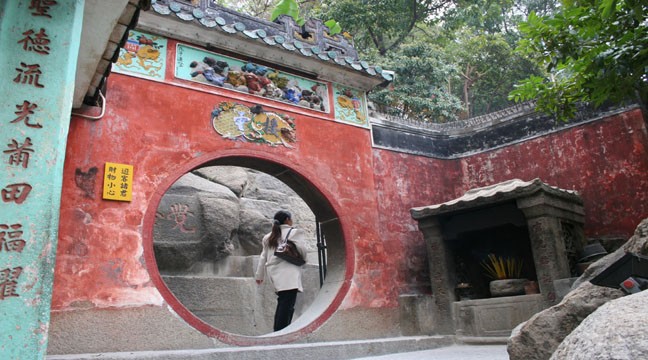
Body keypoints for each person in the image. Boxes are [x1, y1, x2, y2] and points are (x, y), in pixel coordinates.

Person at [255, 210, 308, 332]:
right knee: (287, 304)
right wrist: (303, 260)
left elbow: (263, 257)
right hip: (289, 272)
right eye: (291, 218)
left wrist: (259, 275)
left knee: (283, 301)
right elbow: (302, 251)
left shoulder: (268, 237)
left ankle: (281, 329)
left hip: (273, 272)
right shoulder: (295, 232)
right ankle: (280, 330)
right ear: (287, 220)